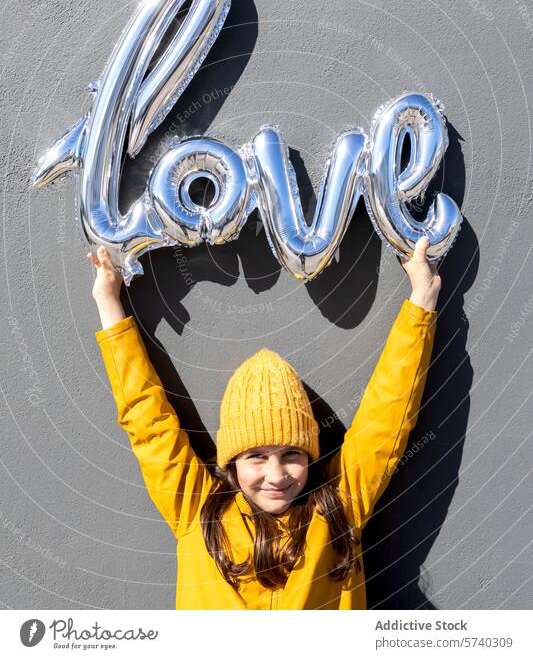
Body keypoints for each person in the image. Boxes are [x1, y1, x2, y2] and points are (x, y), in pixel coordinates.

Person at [88, 235, 440, 610]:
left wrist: (423, 299)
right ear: (231, 461)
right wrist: (108, 303)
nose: (276, 475)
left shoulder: (338, 510)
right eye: (256, 455)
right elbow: (147, 421)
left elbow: (386, 418)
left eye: (291, 453)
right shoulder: (195, 511)